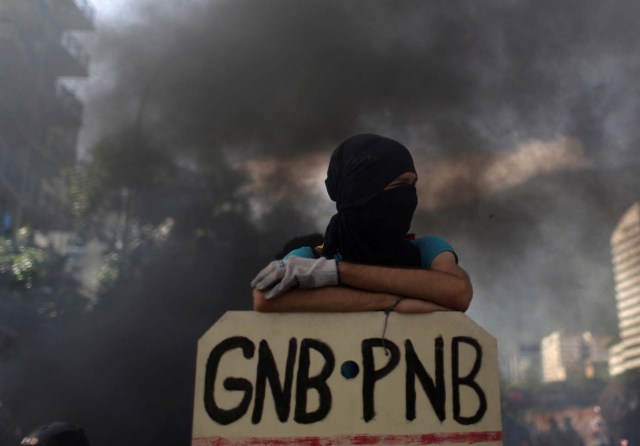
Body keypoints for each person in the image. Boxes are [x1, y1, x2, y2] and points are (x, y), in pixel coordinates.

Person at [252, 134, 472, 314]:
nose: (410, 195)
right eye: (400, 184)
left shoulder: (425, 250)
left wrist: (336, 272)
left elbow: (458, 292)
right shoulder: (311, 259)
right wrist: (391, 303)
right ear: (363, 190)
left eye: (412, 184)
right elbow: (265, 298)